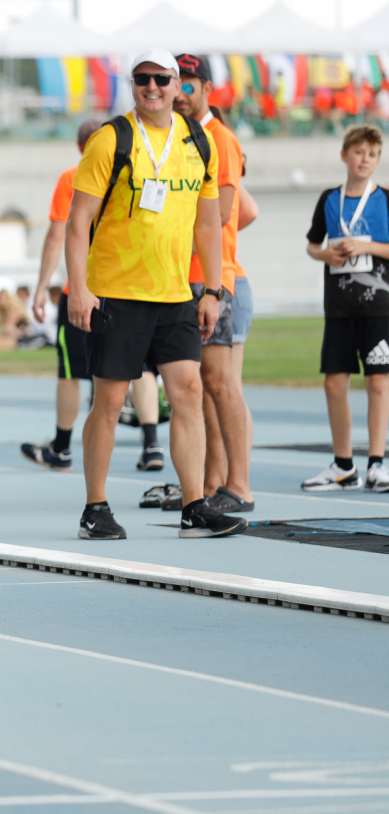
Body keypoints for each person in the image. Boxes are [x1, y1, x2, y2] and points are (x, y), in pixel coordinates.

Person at [66, 48, 245, 540]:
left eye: (162, 79)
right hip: (116, 293)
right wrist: (79, 288)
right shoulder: (111, 139)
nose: (153, 87)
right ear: (132, 84)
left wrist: (213, 290)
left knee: (188, 391)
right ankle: (95, 508)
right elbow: (78, 222)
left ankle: (193, 506)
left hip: (174, 293)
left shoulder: (198, 141)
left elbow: (208, 224)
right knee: (110, 401)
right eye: (143, 79)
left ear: (177, 84)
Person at [175, 53, 255, 512]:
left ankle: (239, 486)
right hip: (184, 276)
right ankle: (210, 484)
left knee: (221, 384)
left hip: (210, 278)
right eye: (177, 83)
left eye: (189, 84)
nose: (181, 93)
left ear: (207, 88)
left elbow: (225, 212)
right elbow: (248, 211)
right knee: (202, 386)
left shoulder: (219, 138)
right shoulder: (183, 136)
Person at [303, 125, 389, 492]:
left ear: (378, 160)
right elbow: (311, 245)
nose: (365, 160)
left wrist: (365, 247)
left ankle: (377, 464)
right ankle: (343, 467)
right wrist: (324, 254)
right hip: (338, 308)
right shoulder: (329, 199)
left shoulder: (385, 198)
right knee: (334, 383)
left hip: (379, 308)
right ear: (344, 155)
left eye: (372, 154)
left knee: (378, 382)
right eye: (358, 152)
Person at [21, 119, 102, 471]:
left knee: (70, 371)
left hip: (81, 289)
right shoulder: (127, 175)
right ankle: (149, 445)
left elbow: (57, 235)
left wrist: (41, 288)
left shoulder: (73, 177)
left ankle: (63, 447)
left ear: (79, 146)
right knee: (132, 370)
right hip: (122, 289)